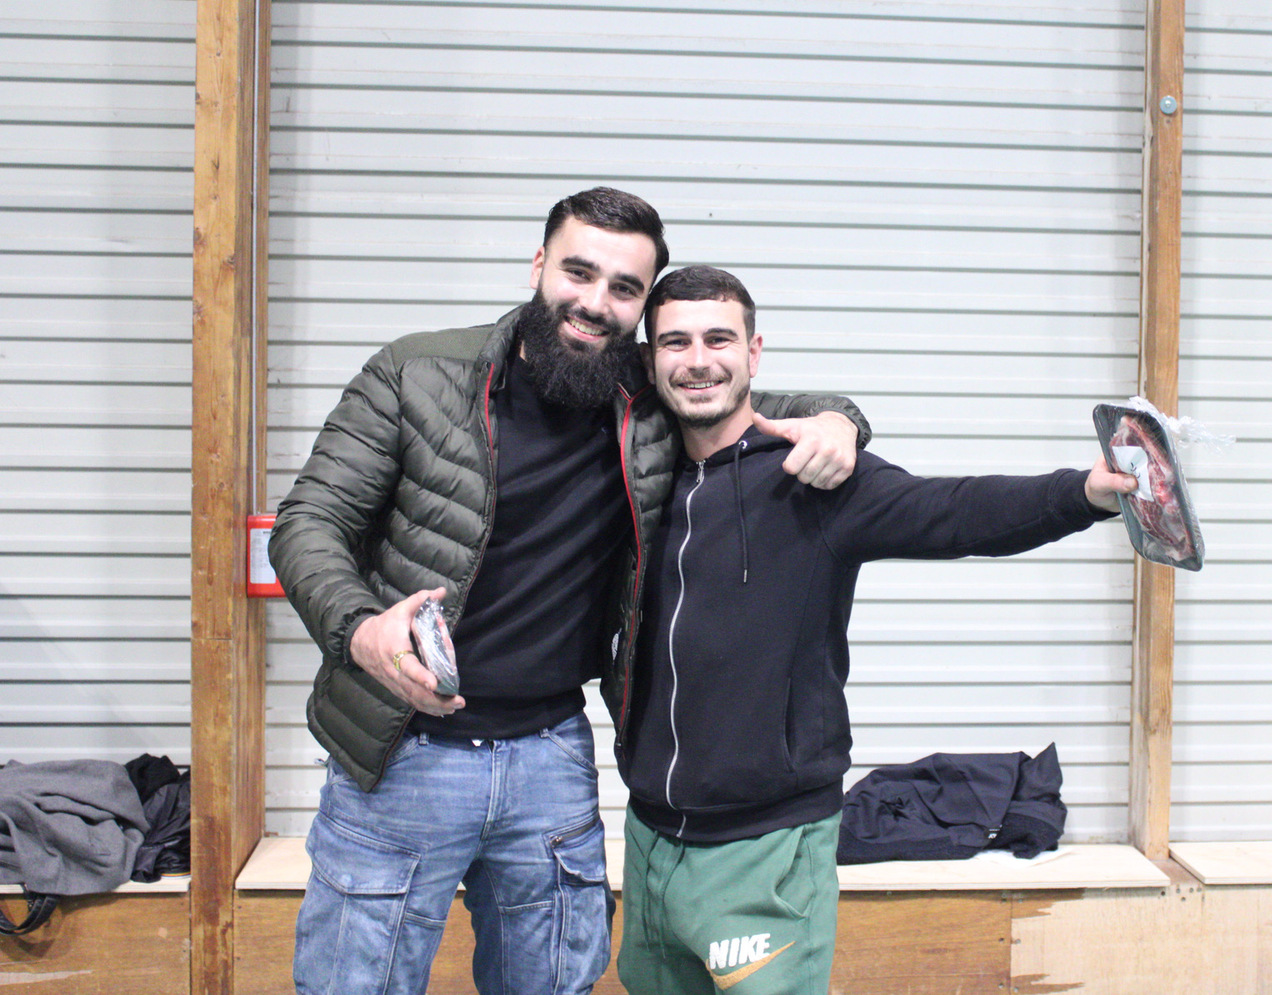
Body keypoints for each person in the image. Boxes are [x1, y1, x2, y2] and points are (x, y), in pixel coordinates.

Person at [268, 188, 871, 995]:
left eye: (624, 289)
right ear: (539, 264)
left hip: (549, 757)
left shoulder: (646, 400)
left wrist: (841, 422)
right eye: (578, 272)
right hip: (402, 753)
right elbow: (309, 520)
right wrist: (359, 627)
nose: (594, 302)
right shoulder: (416, 373)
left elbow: (758, 406)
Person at [614, 266, 1138, 995]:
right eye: (676, 342)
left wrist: (1083, 493)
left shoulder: (814, 479)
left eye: (718, 339)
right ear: (650, 360)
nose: (698, 360)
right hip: (648, 839)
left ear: (754, 352)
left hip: (767, 845)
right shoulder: (641, 477)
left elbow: (954, 511)